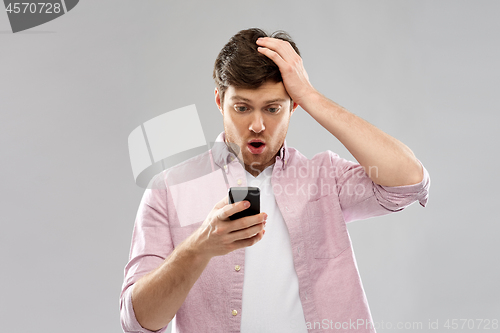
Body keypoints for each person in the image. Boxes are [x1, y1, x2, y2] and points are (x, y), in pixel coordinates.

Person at [120, 28, 430, 333]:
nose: (257, 125)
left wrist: (310, 95)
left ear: (293, 106)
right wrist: (199, 247)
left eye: (272, 108)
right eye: (242, 108)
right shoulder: (169, 190)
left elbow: (409, 181)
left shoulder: (324, 178)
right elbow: (139, 320)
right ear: (219, 101)